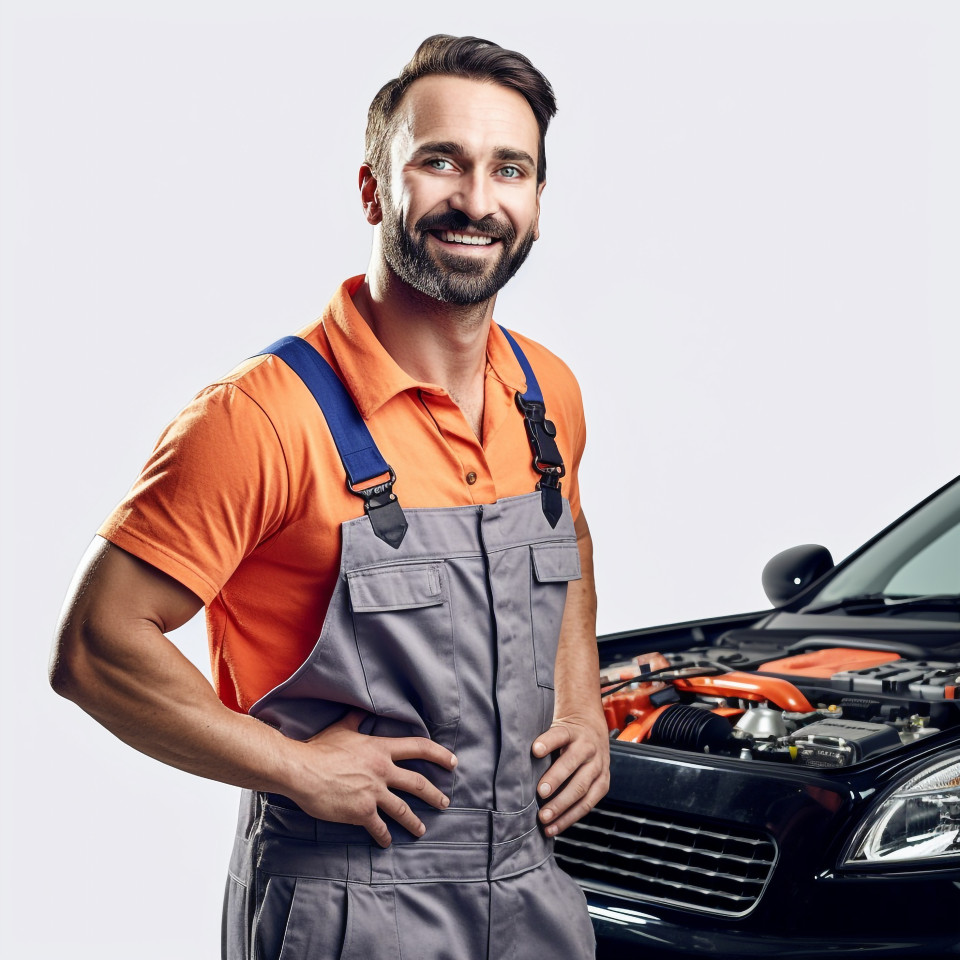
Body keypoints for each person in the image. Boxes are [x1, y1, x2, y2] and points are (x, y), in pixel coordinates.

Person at [50, 34, 608, 959]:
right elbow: (96, 645)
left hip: (531, 888)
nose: (476, 199)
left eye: (509, 169)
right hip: (350, 903)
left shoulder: (547, 393)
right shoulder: (260, 418)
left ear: (538, 203)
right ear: (371, 190)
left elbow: (568, 542)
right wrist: (295, 769)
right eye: (441, 162)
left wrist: (582, 703)